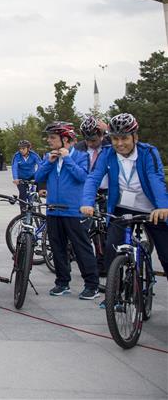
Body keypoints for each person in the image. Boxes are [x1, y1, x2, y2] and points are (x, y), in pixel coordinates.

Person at [81, 113, 168, 276]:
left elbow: (156, 178)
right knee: (111, 251)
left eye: (124, 138)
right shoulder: (107, 153)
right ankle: (115, 296)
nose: (119, 144)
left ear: (135, 137)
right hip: (122, 208)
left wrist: (163, 207)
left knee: (166, 254)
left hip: (151, 209)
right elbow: (93, 177)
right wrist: (87, 202)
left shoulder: (148, 152)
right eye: (115, 139)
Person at [35, 121, 98, 299]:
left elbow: (82, 177)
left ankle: (91, 284)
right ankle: (62, 282)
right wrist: (49, 162)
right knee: (57, 248)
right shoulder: (49, 156)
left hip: (73, 210)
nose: (49, 140)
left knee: (81, 247)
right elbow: (38, 177)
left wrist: (67, 159)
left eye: (53, 138)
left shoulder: (81, 155)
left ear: (65, 139)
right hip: (54, 210)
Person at [11, 140, 41, 213]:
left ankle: (35, 202)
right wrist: (15, 178)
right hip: (21, 178)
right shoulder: (17, 156)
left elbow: (41, 166)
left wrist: (37, 176)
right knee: (22, 194)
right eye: (20, 148)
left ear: (28, 148)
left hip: (32, 177)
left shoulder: (34, 155)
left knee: (34, 193)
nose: (21, 150)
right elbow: (14, 167)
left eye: (23, 148)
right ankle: (23, 213)